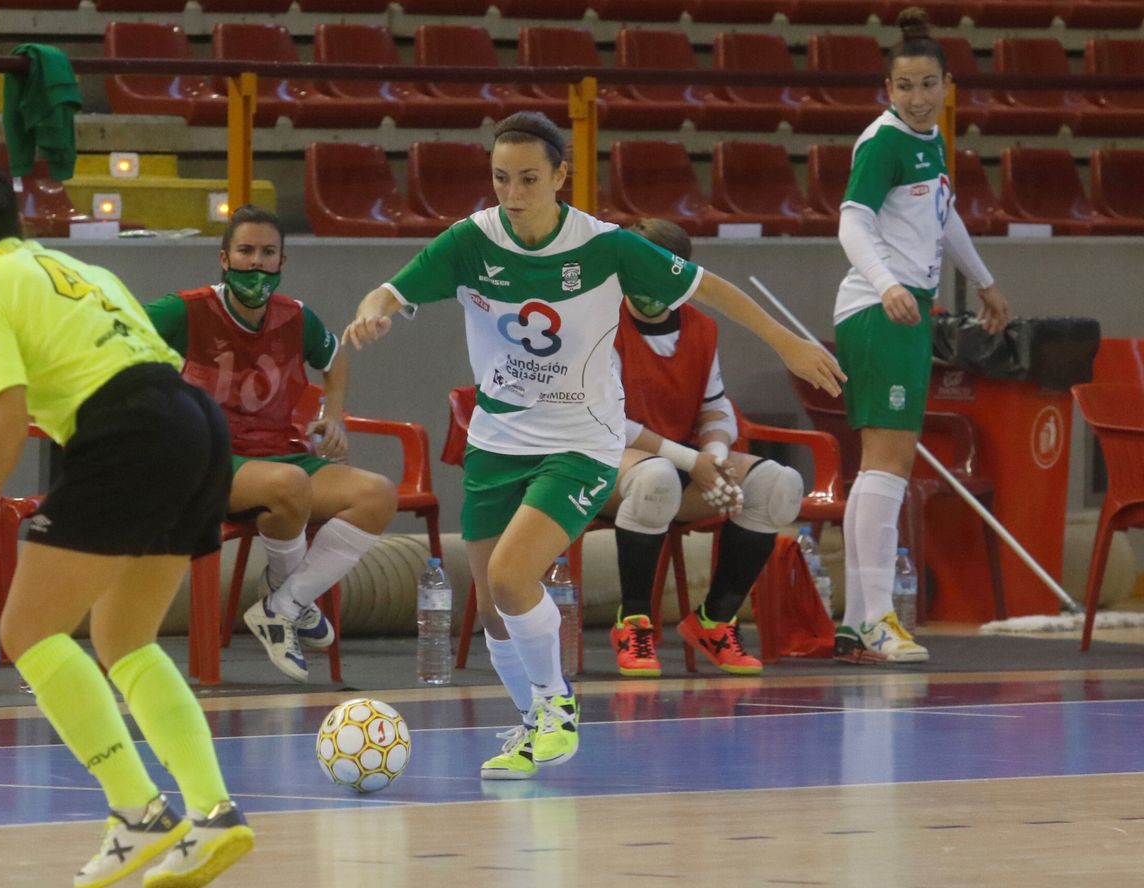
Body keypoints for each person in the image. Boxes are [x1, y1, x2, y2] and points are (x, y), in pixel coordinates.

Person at [343, 111, 843, 780]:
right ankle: (532, 725)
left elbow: (709, 288)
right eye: (500, 178)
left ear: (559, 177)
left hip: (581, 441)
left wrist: (787, 341)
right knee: (493, 606)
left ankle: (557, 709)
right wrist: (374, 308)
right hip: (496, 441)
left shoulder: (606, 247)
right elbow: (393, 289)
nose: (512, 194)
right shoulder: (471, 241)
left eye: (527, 178)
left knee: (513, 576)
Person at [0, 132, 254, 888]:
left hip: (130, 430)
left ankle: (138, 812)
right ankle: (212, 816)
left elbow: (7, 423)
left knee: (26, 630)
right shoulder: (78, 265)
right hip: (197, 423)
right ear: (17, 217)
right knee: (124, 636)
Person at [145, 205, 397, 682]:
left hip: (280, 457)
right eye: (245, 251)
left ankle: (283, 605)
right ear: (224, 258)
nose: (256, 263)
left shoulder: (295, 318)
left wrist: (334, 415)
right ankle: (291, 601)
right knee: (291, 483)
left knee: (377, 494)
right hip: (207, 462)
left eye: (267, 253)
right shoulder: (185, 309)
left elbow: (335, 357)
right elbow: (117, 338)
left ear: (283, 262)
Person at [831, 7, 1009, 664]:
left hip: (903, 308)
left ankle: (857, 622)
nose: (916, 96)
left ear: (946, 85)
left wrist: (985, 281)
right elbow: (851, 222)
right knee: (889, 461)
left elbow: (945, 216)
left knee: (885, 464)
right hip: (883, 311)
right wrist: (887, 285)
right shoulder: (883, 142)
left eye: (927, 84)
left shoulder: (931, 141)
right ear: (888, 90)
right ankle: (877, 619)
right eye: (904, 86)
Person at [599, 219, 806, 678]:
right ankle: (633, 622)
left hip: (681, 460)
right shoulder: (600, 322)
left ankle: (715, 620)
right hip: (604, 462)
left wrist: (714, 452)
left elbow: (715, 406)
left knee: (778, 486)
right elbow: (613, 424)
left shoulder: (702, 327)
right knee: (654, 481)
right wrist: (695, 462)